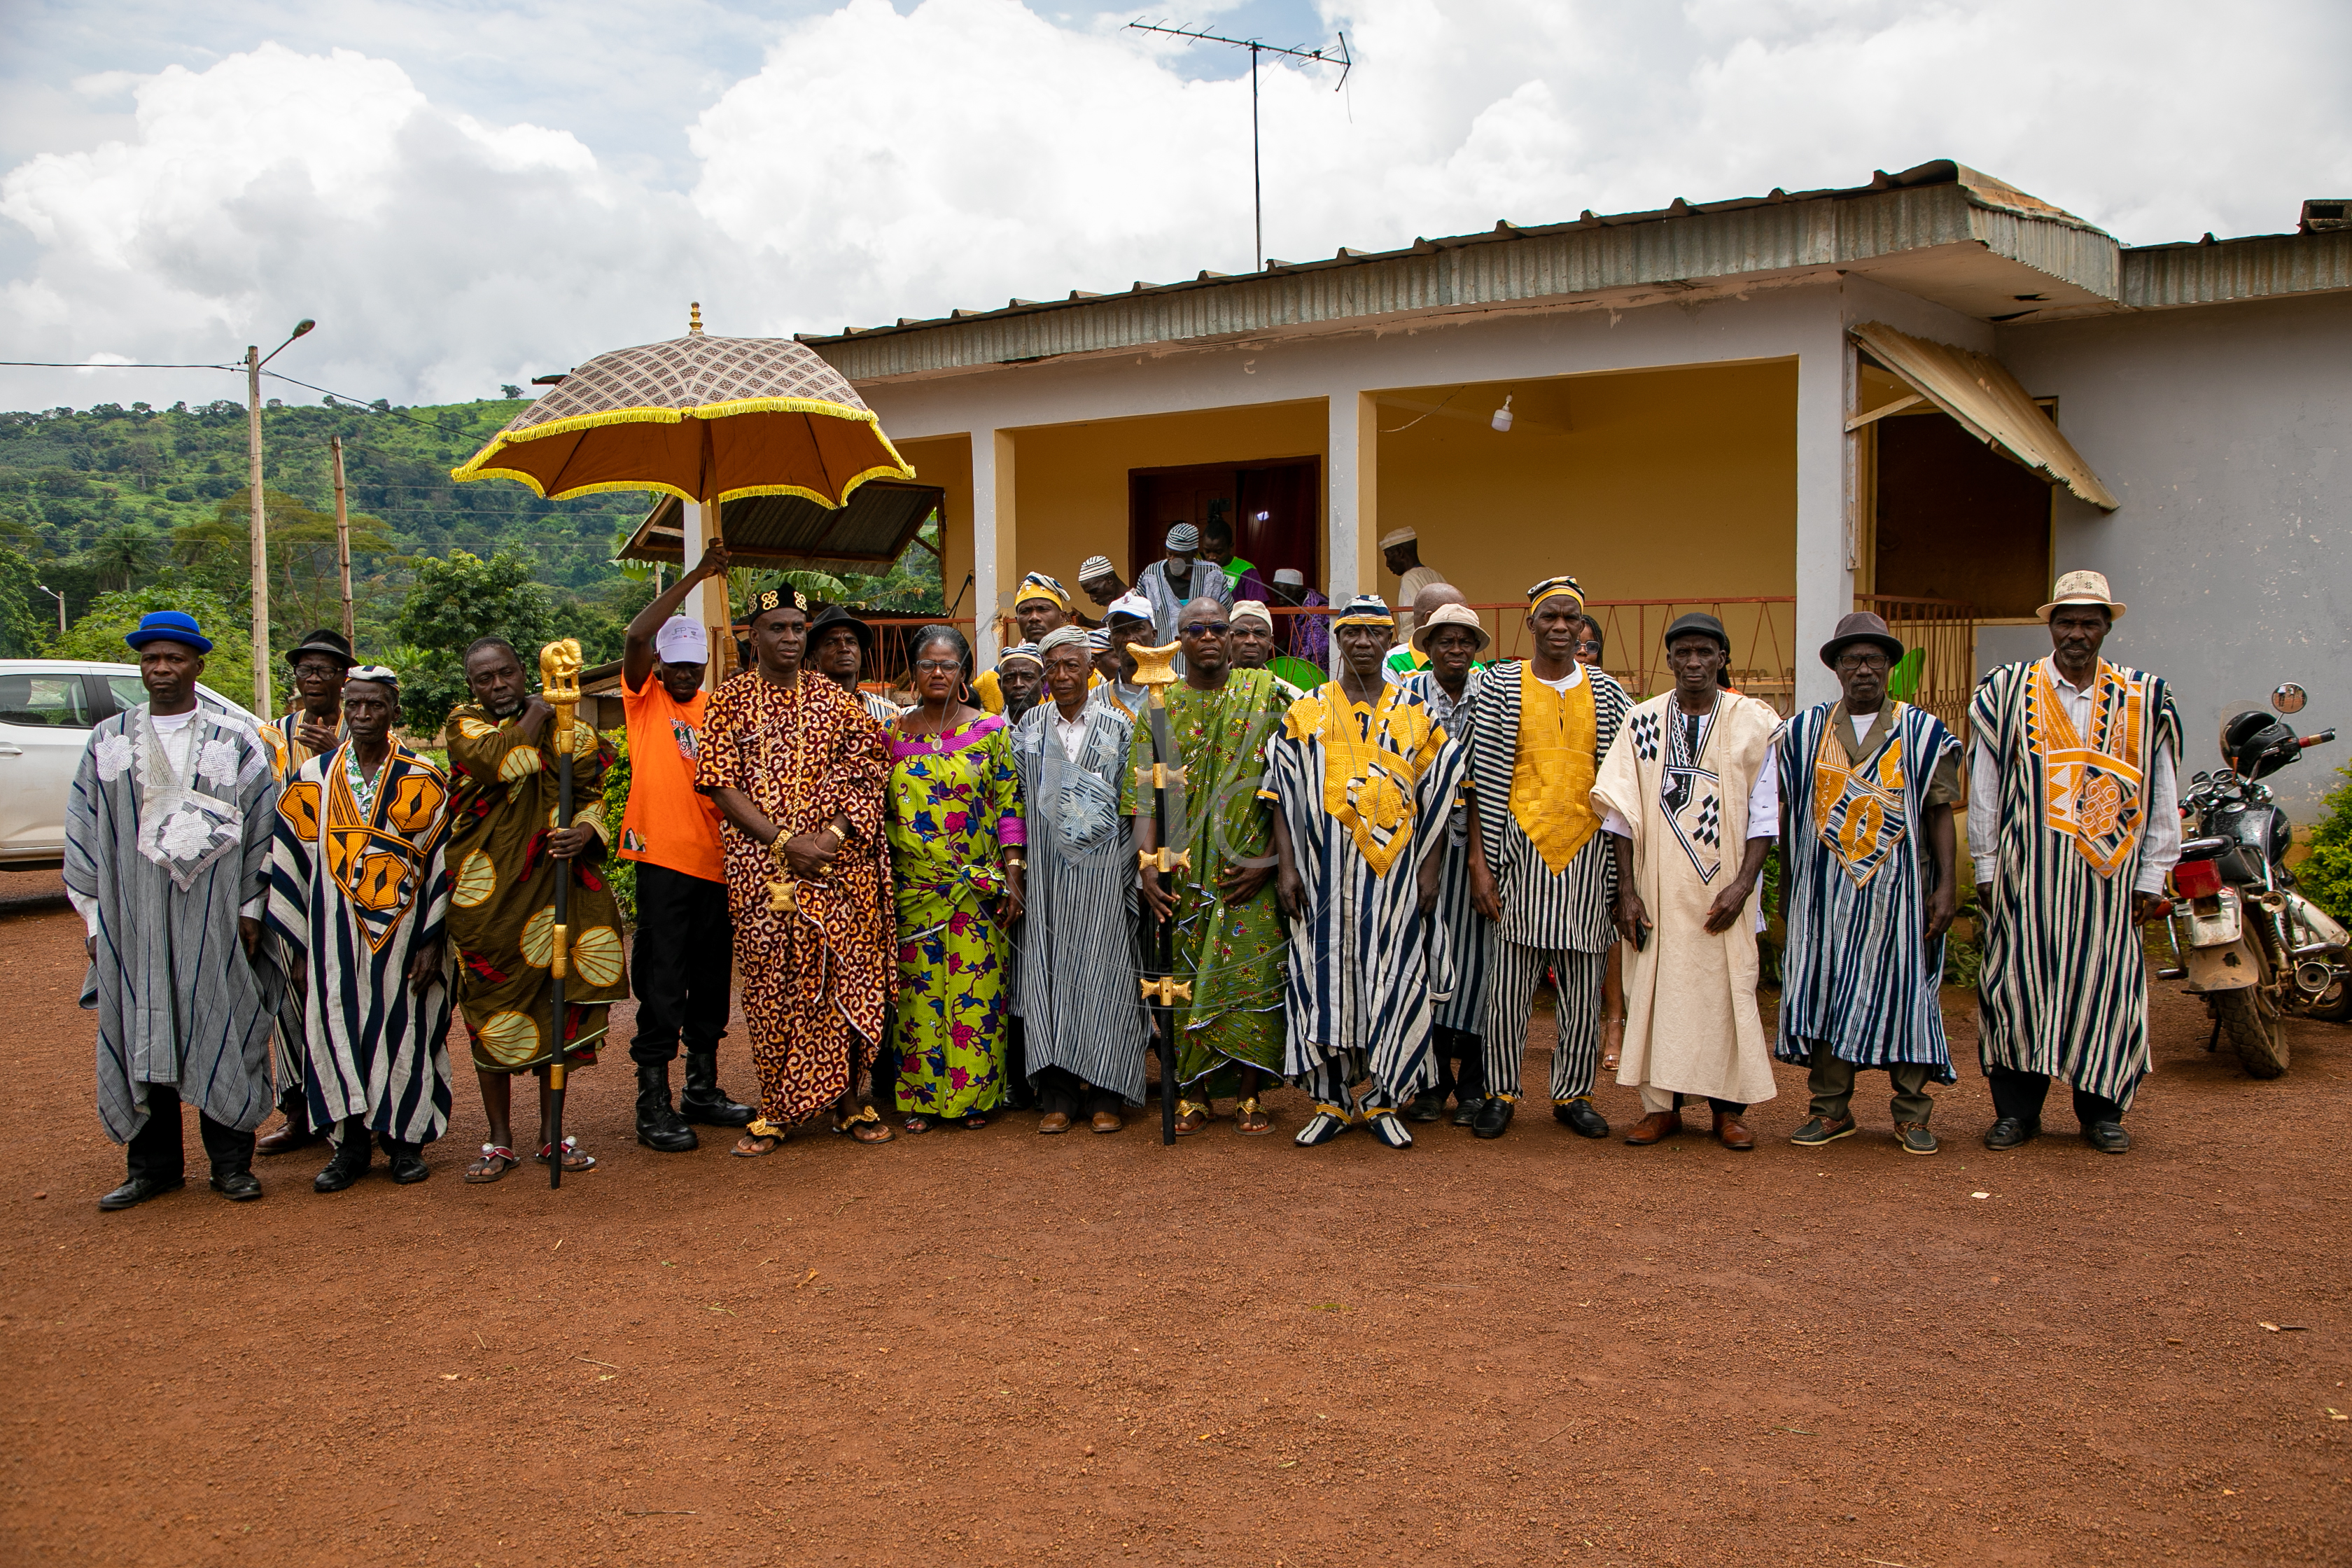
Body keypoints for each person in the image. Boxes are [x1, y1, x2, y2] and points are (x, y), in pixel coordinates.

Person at [70, 610, 283, 1210]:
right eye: (151, 660)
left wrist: (250, 909)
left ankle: (231, 1166)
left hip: (215, 918)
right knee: (144, 1025)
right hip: (132, 918)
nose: (161, 669)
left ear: (198, 665)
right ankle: (152, 1167)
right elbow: (83, 834)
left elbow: (263, 832)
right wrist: (94, 920)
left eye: (174, 659)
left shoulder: (234, 741)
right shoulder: (108, 743)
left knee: (227, 1023)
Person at [1970, 570, 2180, 1154]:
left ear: (2107, 628)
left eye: (2090, 622)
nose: (2077, 633)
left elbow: (2161, 790)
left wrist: (2153, 873)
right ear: (2050, 626)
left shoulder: (2144, 697)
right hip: (2025, 874)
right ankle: (2017, 1113)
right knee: (2017, 986)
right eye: (2067, 621)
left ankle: (2101, 1114)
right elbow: (1986, 787)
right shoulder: (2005, 691)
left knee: (2106, 988)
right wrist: (1985, 866)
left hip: (2109, 883)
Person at [696, 586, 897, 1154]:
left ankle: (848, 1104)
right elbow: (718, 782)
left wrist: (829, 838)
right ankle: (780, 1106)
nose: (789, 637)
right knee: (772, 985)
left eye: (797, 628)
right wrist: (786, 842)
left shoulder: (837, 703)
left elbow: (866, 773)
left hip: (838, 869)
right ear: (753, 636)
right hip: (763, 872)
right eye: (777, 627)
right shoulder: (729, 701)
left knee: (843, 980)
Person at [1268, 595, 1466, 1148]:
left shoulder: (1414, 714)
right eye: (1351, 632)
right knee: (1322, 981)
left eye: (1374, 633)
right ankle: (1330, 1101)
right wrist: (1287, 867)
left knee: (1392, 978)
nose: (1362, 642)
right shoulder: (1306, 711)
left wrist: (1429, 871)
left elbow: (1443, 796)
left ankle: (1383, 1099)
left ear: (1389, 641)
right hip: (1322, 879)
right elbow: (1280, 794)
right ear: (1338, 639)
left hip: (1394, 882)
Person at [1774, 612, 1962, 1156]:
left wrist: (1947, 886)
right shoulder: (1804, 732)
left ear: (1889, 667)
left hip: (1900, 896)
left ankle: (1911, 1114)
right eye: (1852, 659)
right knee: (1828, 989)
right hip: (1825, 894)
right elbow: (1788, 813)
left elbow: (1939, 812)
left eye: (1874, 659)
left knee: (1907, 993)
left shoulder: (1922, 733)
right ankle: (1830, 1111)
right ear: (1835, 668)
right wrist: (1788, 888)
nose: (1863, 670)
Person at [1592, 612, 1782, 1149]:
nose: (1694, 662)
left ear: (1723, 658)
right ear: (1670, 659)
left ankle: (1728, 1111)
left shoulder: (1753, 719)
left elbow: (1766, 814)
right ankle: (1661, 1108)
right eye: (1683, 653)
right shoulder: (1643, 721)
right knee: (1655, 990)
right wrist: (1626, 891)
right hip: (1658, 886)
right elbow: (1620, 814)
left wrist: (1744, 885)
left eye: (1705, 652)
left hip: (1727, 885)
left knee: (1728, 990)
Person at [444, 636, 630, 1181]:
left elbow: (596, 790)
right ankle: (499, 1140)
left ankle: (553, 1135)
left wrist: (584, 832)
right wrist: (538, 711)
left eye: (507, 674)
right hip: (488, 898)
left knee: (557, 1004)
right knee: (491, 1010)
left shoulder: (571, 728)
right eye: (485, 678)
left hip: (554, 888)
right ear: (472, 686)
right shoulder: (465, 724)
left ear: (523, 670)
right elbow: (497, 763)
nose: (498, 685)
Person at [262, 666, 456, 1190]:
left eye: (375, 706)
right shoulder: (314, 778)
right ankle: (348, 1146)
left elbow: (444, 862)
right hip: (331, 938)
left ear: (395, 711)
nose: (364, 715)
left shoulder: (424, 776)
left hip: (406, 937)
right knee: (334, 1032)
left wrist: (433, 941)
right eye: (355, 706)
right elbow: (289, 866)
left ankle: (404, 1143)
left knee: (406, 1031)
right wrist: (300, 950)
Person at [1460, 578, 1632, 1141]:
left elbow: (1626, 785)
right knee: (1508, 986)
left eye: (1571, 619)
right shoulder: (1499, 686)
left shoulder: (1608, 694)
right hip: (1517, 854)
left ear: (1583, 627)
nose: (1561, 627)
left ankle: (1573, 1094)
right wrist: (1480, 866)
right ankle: (1501, 1092)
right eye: (1549, 617)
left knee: (1582, 984)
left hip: (1587, 854)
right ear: (1530, 624)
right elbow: (1479, 785)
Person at [1126, 598, 1290, 1135]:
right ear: (1179, 640)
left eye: (1219, 628)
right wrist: (1147, 867)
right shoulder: (1157, 704)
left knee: (1253, 977)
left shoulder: (1271, 701)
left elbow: (1292, 795)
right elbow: (1144, 796)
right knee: (1187, 976)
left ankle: (1249, 1095)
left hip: (1249, 867)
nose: (1210, 637)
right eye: (1195, 629)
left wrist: (1270, 860)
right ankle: (1193, 1096)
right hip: (1181, 868)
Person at [617, 546, 757, 1154]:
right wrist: (697, 576)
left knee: (708, 982)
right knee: (662, 982)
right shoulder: (642, 698)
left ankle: (703, 1087)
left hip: (717, 866)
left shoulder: (718, 706)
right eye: (673, 666)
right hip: (662, 863)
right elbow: (636, 631)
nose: (683, 676)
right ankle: (654, 1101)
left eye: (692, 667)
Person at [880, 626, 1025, 1132]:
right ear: (914, 672)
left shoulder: (991, 730)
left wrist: (1013, 874)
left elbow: (1009, 806)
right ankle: (920, 1099)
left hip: (977, 888)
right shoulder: (894, 735)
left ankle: (975, 1100)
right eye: (927, 665)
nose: (937, 673)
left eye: (948, 665)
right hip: (916, 888)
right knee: (918, 996)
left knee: (976, 992)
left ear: (963, 673)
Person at [1009, 626, 1150, 1133]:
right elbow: (1015, 803)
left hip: (1103, 871)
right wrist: (1017, 868)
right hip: (1046, 869)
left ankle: (1108, 1092)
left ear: (1093, 669)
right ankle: (1058, 1095)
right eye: (1053, 667)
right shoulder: (1028, 727)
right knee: (1048, 972)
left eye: (1072, 665)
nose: (1062, 675)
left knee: (1104, 971)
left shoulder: (1120, 726)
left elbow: (1135, 803)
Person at [253, 626, 356, 1160]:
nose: (313, 679)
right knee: (288, 998)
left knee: (342, 995)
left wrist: (340, 753)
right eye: (305, 670)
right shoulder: (272, 735)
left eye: (325, 670)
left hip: (348, 887)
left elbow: (376, 804)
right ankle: (298, 1114)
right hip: (288, 882)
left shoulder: (367, 727)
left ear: (344, 678)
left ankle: (348, 1110)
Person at [1396, 602, 1492, 1124]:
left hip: (1481, 849)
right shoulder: (1405, 697)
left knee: (1479, 963)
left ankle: (1474, 1086)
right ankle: (1432, 1082)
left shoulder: (1494, 699)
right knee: (1423, 959)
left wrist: (1482, 859)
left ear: (1476, 650)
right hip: (1417, 849)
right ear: (1427, 647)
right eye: (1445, 641)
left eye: (1465, 642)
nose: (1456, 650)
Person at [976, 573, 1077, 712]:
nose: (1034, 618)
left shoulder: (1085, 674)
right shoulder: (991, 679)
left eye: (1043, 609)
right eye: (1026, 611)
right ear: (1017, 620)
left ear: (1062, 617)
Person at [1136, 524, 1231, 652]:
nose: (1173, 560)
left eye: (1180, 556)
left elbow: (1226, 615)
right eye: (1170, 554)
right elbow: (1138, 616)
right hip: (1161, 659)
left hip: (1203, 658)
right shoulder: (1151, 574)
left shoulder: (1212, 574)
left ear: (1194, 553)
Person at [808, 601, 903, 724]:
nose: (844, 648)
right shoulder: (802, 711)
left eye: (851, 642)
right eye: (832, 643)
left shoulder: (889, 714)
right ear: (814, 656)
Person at [1383, 582, 1472, 681]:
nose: (1457, 650)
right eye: (1457, 616)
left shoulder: (1475, 668)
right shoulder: (1391, 663)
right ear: (1430, 619)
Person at [1092, 593, 1156, 720]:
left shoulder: (1179, 688)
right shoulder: (1096, 699)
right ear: (1111, 640)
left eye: (1137, 629)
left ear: (1153, 635)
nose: (1129, 638)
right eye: (1119, 631)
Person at [1380, 528, 1448, 645]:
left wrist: (1397, 646)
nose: (1387, 564)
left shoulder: (1409, 578)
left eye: (1388, 556)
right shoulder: (1436, 575)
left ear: (1400, 552)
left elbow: (1412, 622)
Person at [1267, 568, 1329, 668]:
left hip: (1316, 671)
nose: (1281, 602)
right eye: (1277, 596)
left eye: (1285, 597)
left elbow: (1312, 653)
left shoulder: (1317, 611)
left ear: (1299, 592)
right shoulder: (1296, 601)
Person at [1200, 514, 1269, 603]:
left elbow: (1257, 608)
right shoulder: (1199, 569)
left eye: (1219, 552)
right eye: (1207, 551)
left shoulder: (1246, 571)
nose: (1212, 557)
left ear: (1230, 547)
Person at [994, 643, 1045, 722]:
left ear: (1042, 682)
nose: (1018, 684)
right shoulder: (990, 731)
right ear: (1000, 685)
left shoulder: (1058, 728)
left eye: (1028, 677)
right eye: (1009, 679)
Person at [1077, 555, 1128, 620]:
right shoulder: (1116, 607)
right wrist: (1085, 622)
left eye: (1094, 591)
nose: (1093, 600)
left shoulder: (1139, 604)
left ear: (1109, 580)